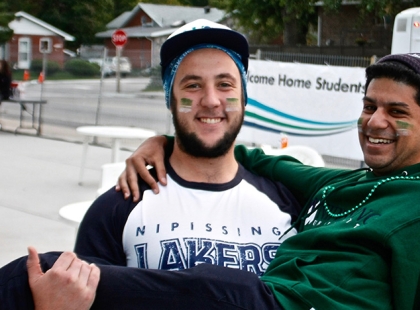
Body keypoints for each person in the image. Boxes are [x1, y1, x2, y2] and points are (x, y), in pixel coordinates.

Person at [0, 53, 420, 309]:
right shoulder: (340, 186)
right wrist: (164, 143)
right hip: (261, 299)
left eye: (397, 112)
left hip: (279, 304)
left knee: (44, 272)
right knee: (58, 275)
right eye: (369, 106)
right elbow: (254, 155)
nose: (375, 121)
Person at [0, 19, 301, 309]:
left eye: (225, 84)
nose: (210, 100)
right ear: (169, 99)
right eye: (192, 86)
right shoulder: (118, 208)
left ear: (244, 97)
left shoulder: (290, 204)